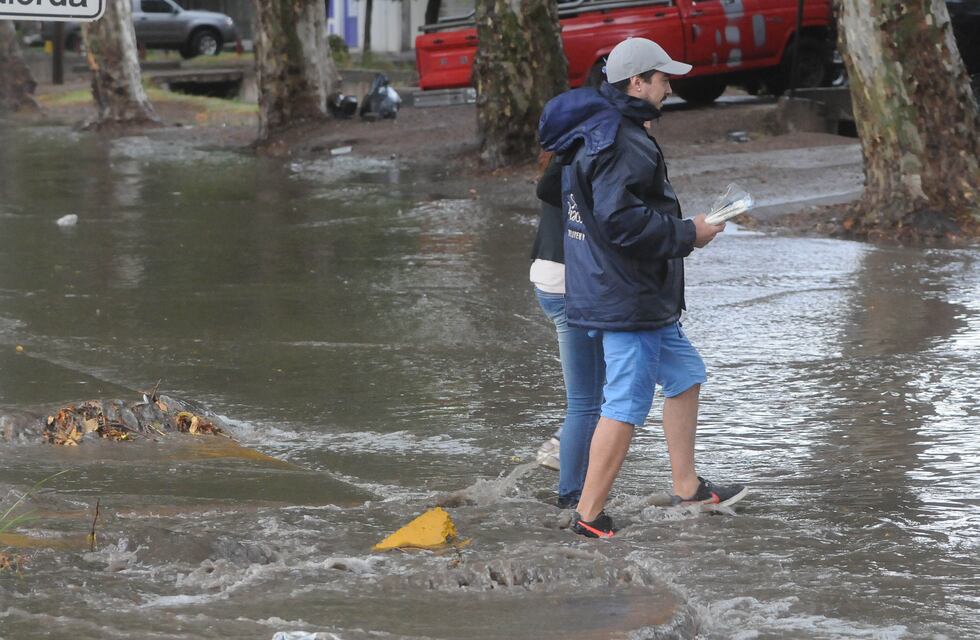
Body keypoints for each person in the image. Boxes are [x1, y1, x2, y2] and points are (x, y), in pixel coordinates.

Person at [538, 37, 747, 538]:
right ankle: (588, 516)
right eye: (662, 78)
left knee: (686, 375)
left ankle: (687, 486)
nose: (669, 87)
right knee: (624, 407)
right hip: (626, 298)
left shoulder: (602, 129)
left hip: (627, 294)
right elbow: (620, 222)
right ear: (636, 82)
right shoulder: (621, 138)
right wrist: (688, 234)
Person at [530, 152, 604, 507]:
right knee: (588, 403)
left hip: (548, 276)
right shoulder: (596, 150)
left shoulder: (565, 156)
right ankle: (572, 498)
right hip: (571, 284)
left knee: (597, 394)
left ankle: (564, 450)